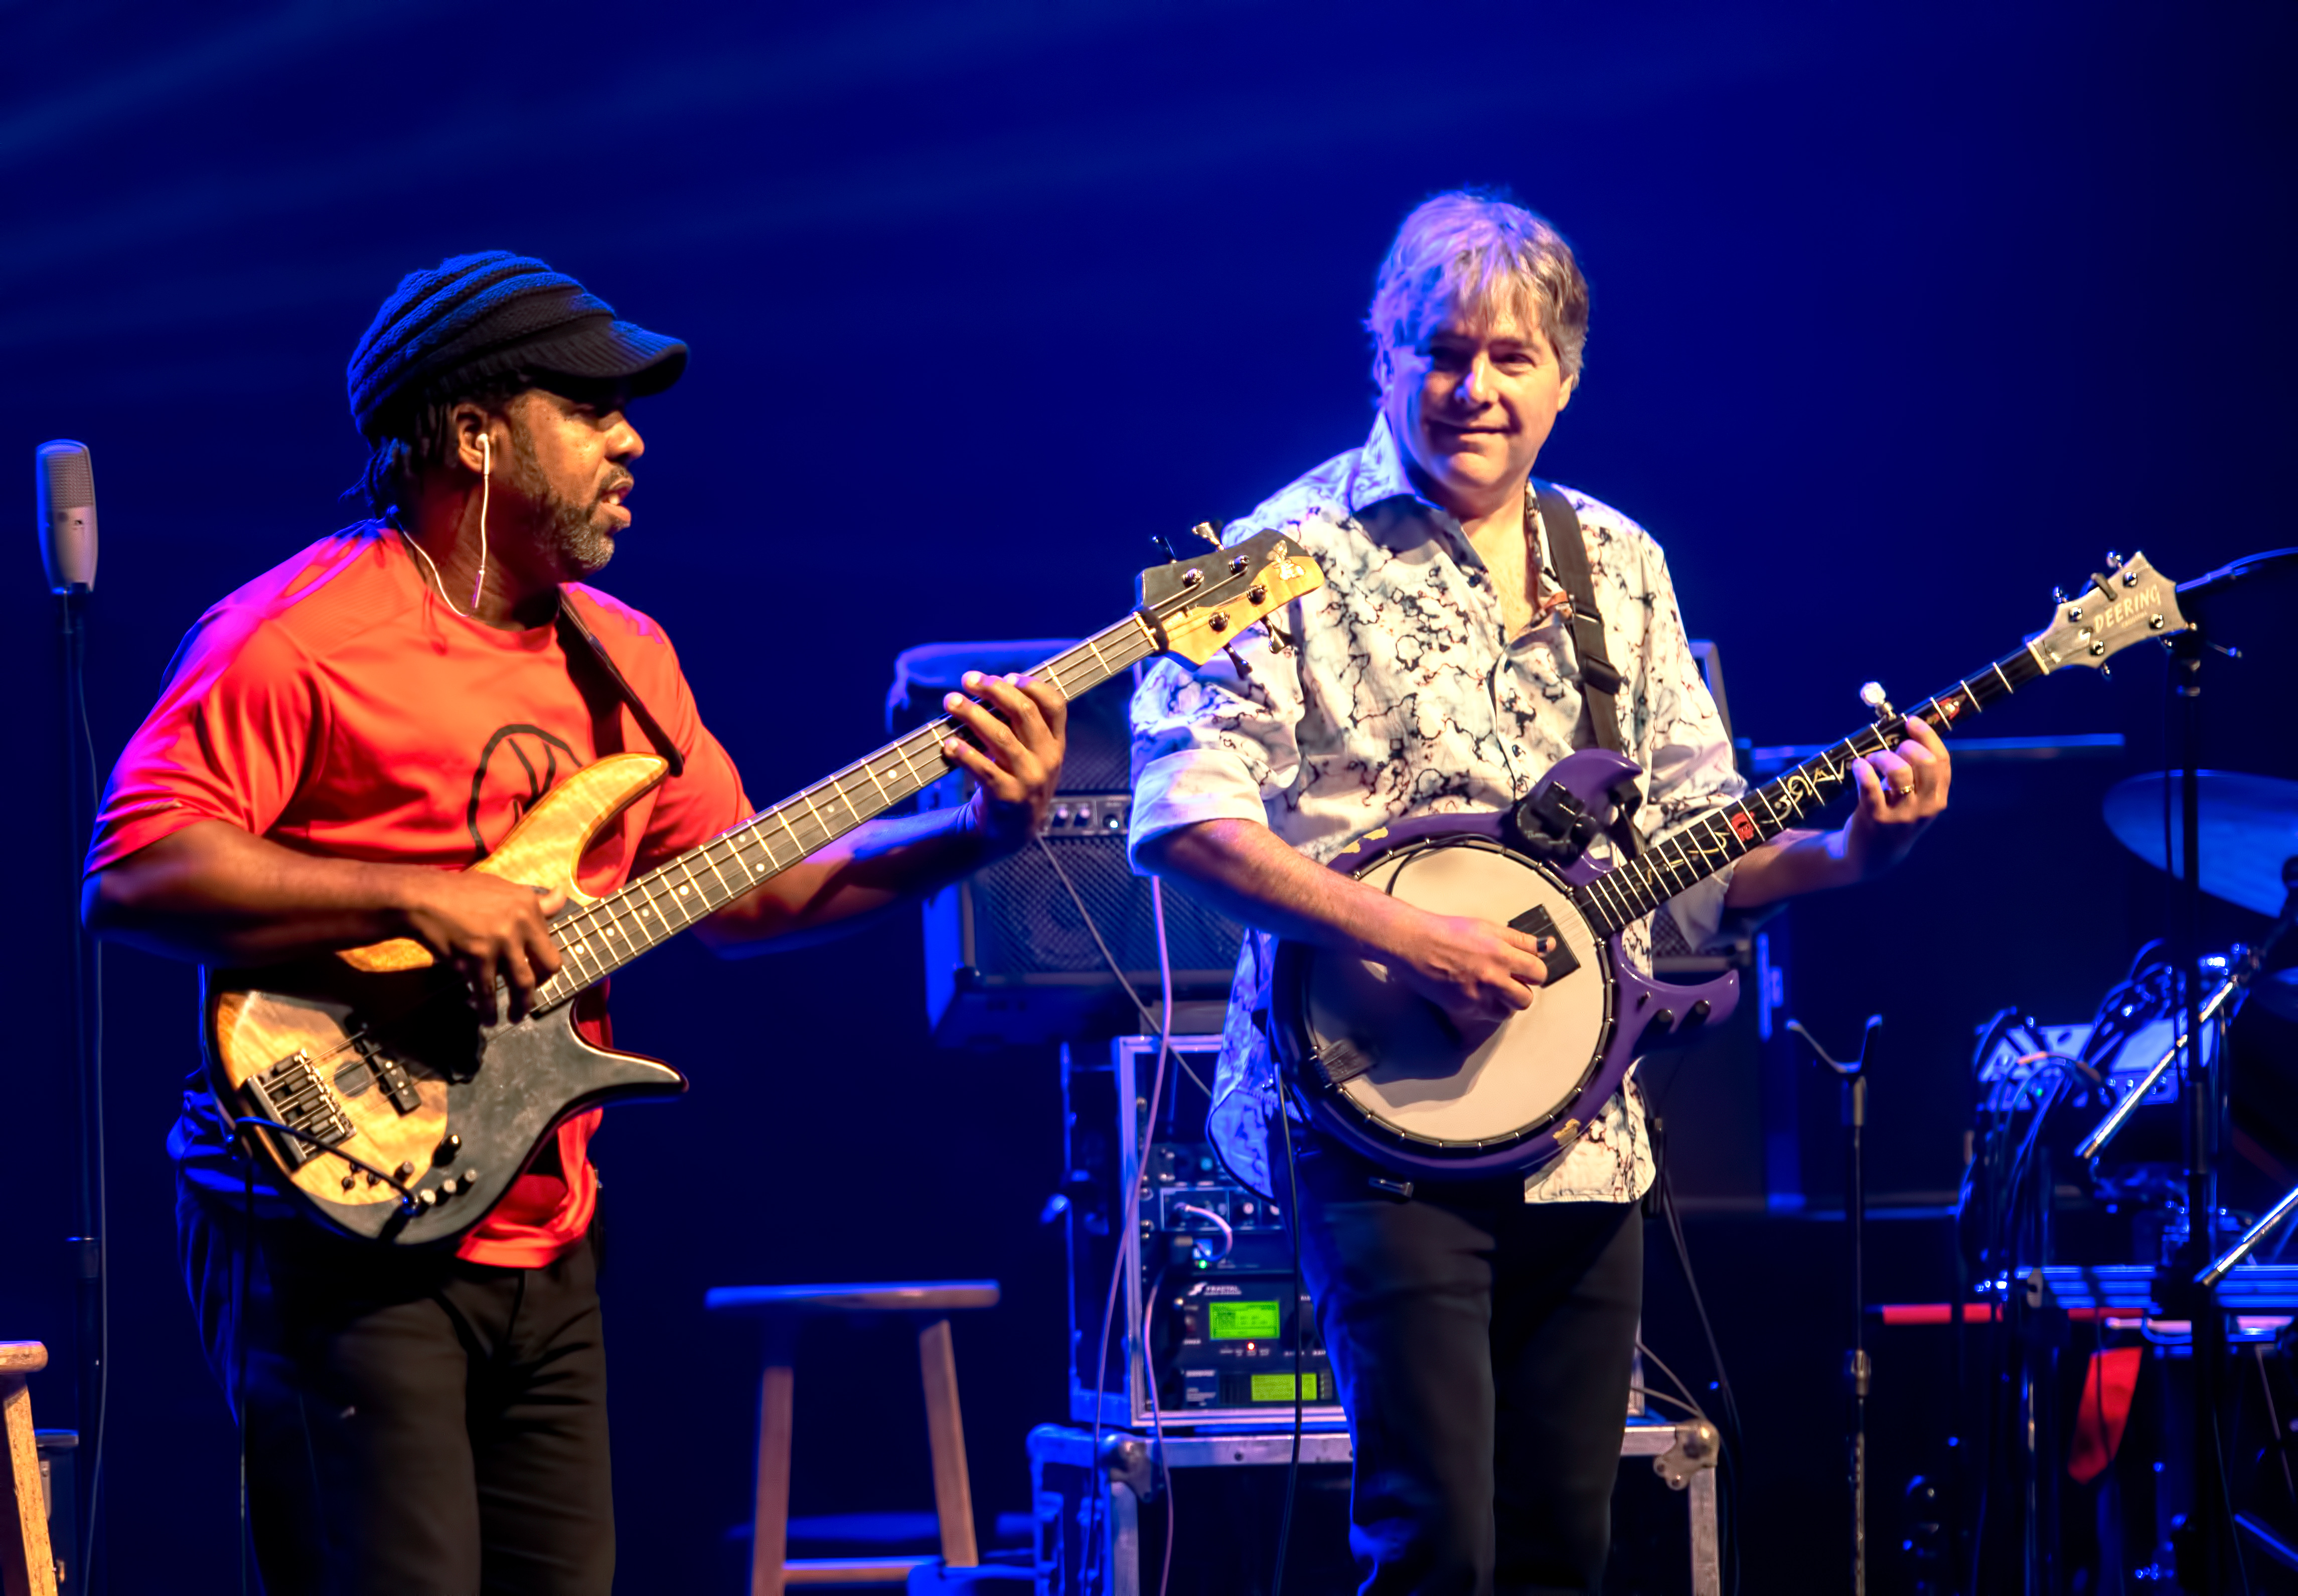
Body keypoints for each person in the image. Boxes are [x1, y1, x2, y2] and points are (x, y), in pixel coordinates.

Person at [80, 251, 1066, 1595]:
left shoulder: (625, 655)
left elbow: (752, 892)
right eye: (592, 408)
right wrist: (418, 893)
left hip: (542, 1220)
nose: (631, 438)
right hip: (332, 1215)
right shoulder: (298, 638)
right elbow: (132, 872)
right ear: (476, 436)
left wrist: (975, 834)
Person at [1127, 192, 1951, 1593]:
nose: (1474, 389)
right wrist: (1407, 935)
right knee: (1434, 1535)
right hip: (1371, 1109)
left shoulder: (1620, 563)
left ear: (1565, 381)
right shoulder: (1274, 554)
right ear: (1382, 359)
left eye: (1513, 359)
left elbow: (1700, 840)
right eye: (1441, 352)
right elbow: (1177, 818)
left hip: (1583, 1123)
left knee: (1568, 1541)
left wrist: (1854, 854)